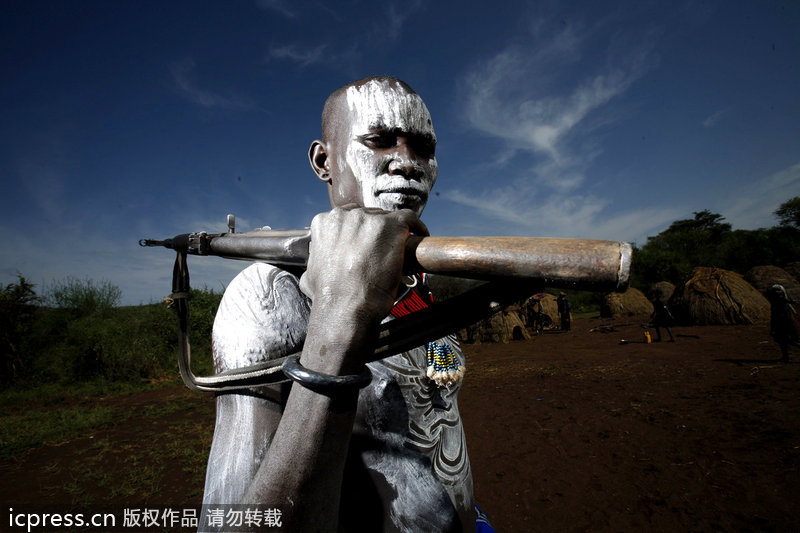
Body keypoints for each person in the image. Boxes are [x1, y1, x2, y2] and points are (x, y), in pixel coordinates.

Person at [201, 76, 487, 532]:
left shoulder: (417, 279)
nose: (406, 163)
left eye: (424, 149)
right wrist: (339, 317)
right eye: (378, 141)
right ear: (323, 161)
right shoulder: (268, 295)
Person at [765, 284, 799, 362]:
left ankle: (785, 357)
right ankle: (785, 357)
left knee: (791, 340)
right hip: (781, 323)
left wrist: (773, 328)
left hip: (785, 324)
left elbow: (776, 315)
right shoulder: (778, 303)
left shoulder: (780, 303)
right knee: (782, 341)